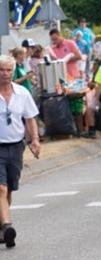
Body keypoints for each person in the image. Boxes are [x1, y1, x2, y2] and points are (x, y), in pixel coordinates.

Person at [0, 55, 40, 249]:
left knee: (9, 188)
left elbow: (30, 118)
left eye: (8, 70)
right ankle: (8, 226)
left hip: (16, 146)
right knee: (1, 188)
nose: (5, 74)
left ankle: (2, 223)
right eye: (1, 70)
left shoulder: (22, 93)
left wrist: (35, 140)